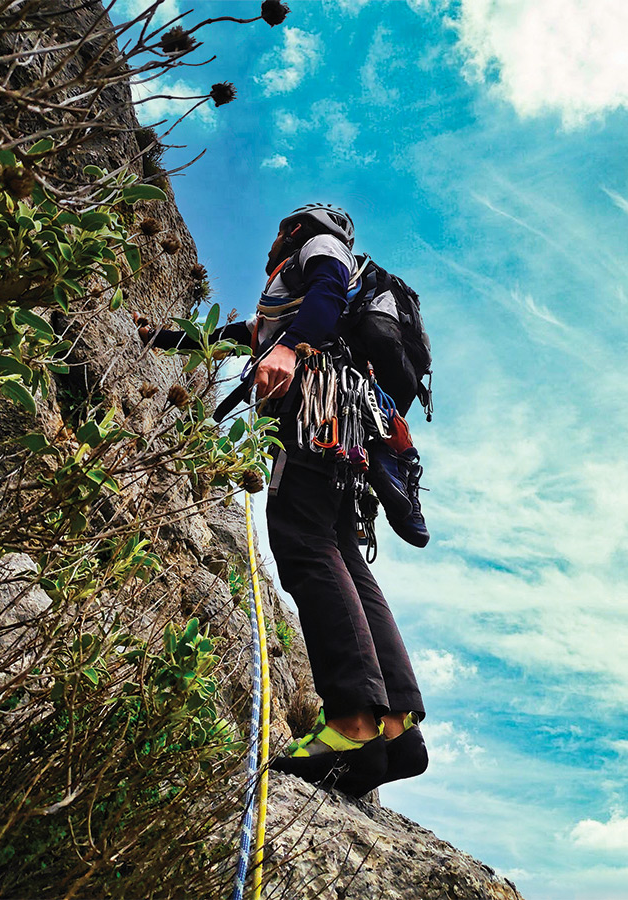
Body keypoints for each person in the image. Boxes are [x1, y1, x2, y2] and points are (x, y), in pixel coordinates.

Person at [139, 204, 427, 796]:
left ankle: (351, 721)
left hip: (315, 415)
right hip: (346, 431)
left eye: (279, 230)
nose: (273, 241)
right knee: (340, 554)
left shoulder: (319, 249)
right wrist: (161, 337)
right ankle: (395, 728)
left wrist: (291, 348)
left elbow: (323, 292)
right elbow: (239, 335)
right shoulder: (297, 302)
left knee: (304, 545)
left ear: (296, 226)